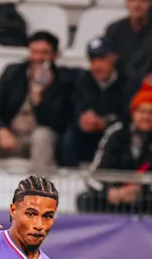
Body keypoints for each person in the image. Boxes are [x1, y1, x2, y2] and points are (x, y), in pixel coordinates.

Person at [0, 31, 70, 174]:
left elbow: (56, 121)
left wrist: (39, 96)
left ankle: (39, 184)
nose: (38, 58)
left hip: (37, 137)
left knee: (42, 136)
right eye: (34, 52)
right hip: (10, 134)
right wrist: (1, 129)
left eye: (44, 53)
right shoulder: (13, 72)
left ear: (54, 55)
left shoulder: (63, 80)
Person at [77, 82, 152, 215]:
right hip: (115, 196)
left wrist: (141, 191)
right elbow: (95, 173)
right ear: (133, 113)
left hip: (148, 198)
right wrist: (111, 192)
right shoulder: (116, 133)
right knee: (85, 199)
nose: (146, 117)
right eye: (142, 111)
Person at [60, 36, 127, 167]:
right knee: (69, 138)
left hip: (114, 136)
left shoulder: (127, 82)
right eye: (93, 60)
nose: (96, 65)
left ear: (113, 58)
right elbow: (72, 111)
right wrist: (81, 120)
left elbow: (128, 115)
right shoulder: (82, 81)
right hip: (87, 137)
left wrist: (105, 123)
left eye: (101, 59)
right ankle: (71, 175)